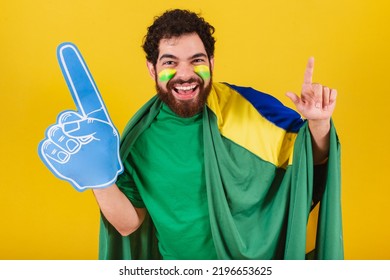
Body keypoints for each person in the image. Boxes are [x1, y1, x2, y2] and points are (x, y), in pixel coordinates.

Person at [41, 8, 343, 260]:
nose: (185, 74)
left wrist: (318, 122)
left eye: (197, 60)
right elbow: (128, 224)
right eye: (170, 62)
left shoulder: (248, 107)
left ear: (211, 62)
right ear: (151, 69)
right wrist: (100, 180)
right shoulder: (139, 139)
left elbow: (309, 160)